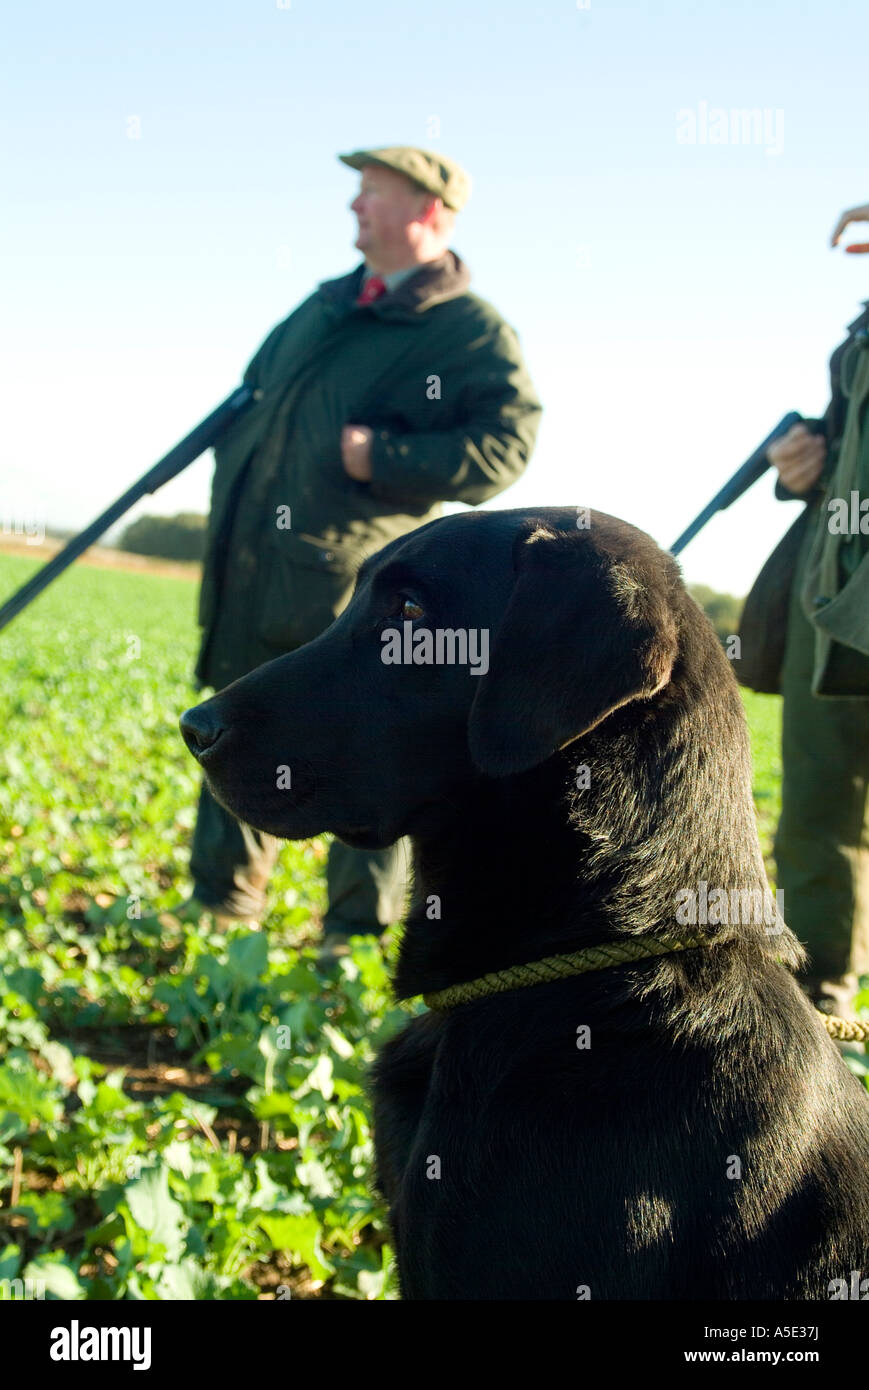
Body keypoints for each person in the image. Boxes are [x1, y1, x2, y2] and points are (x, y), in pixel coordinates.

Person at [182, 145, 541, 955]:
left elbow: (504, 447)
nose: (354, 208)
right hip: (250, 568)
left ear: (428, 212)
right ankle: (221, 907)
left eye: (371, 194)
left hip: (346, 585)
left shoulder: (467, 330)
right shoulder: (323, 307)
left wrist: (382, 457)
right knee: (231, 728)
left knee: (359, 751)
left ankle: (351, 937)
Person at [740, 201, 869, 1016]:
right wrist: (807, 465)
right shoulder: (856, 338)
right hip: (834, 597)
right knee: (817, 812)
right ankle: (816, 1003)